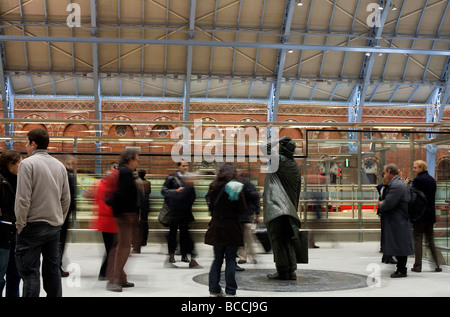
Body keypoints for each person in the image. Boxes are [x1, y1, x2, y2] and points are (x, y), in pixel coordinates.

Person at [14, 128, 71, 297]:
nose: (25, 146)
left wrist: (20, 224)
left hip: (32, 226)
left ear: (34, 144)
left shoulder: (27, 164)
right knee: (52, 270)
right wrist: (59, 219)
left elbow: (23, 198)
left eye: (26, 142)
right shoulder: (59, 165)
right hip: (53, 227)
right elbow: (66, 198)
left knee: (31, 273)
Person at [262, 136, 306, 280]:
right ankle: (291, 271)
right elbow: (297, 191)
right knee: (288, 240)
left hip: (276, 208)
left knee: (278, 241)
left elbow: (264, 148)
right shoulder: (294, 167)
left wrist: (278, 138)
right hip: (290, 209)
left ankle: (281, 271)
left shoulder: (279, 161)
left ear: (282, 149)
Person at [205, 163, 247, 297]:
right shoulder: (236, 187)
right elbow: (242, 209)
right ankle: (230, 291)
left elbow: (210, 205)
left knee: (217, 259)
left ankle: (213, 290)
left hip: (217, 227)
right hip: (232, 228)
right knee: (230, 260)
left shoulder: (213, 186)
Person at [106, 149, 140, 292]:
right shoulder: (125, 173)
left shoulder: (121, 171)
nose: (138, 162)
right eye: (137, 159)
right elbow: (124, 194)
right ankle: (114, 279)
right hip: (125, 215)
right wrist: (131, 212)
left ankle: (121, 277)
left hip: (121, 214)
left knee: (120, 246)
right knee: (124, 248)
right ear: (130, 159)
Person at [161, 160, 200, 268]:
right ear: (178, 167)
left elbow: (193, 195)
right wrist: (176, 192)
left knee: (184, 234)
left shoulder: (189, 180)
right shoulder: (171, 178)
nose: (185, 167)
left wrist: (189, 204)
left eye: (186, 165)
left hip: (185, 211)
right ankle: (171, 255)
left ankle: (184, 255)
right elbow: (164, 191)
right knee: (172, 234)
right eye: (183, 165)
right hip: (174, 211)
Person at [378, 164, 414, 278]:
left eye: (385, 172)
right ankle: (401, 268)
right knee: (398, 244)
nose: (384, 174)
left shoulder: (396, 185)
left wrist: (381, 205)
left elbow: (389, 203)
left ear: (389, 172)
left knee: (399, 244)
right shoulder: (399, 184)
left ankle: (401, 270)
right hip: (397, 219)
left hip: (397, 220)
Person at [408, 160, 441, 272]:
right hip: (430, 214)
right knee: (430, 240)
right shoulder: (432, 180)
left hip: (419, 214)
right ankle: (437, 265)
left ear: (421, 168)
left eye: (415, 167)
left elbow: (413, 195)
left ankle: (417, 266)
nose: (414, 169)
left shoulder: (418, 180)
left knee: (418, 239)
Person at [90, 162, 119, 280]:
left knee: (110, 248)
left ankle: (106, 272)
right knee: (112, 248)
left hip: (103, 219)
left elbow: (95, 199)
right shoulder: (113, 181)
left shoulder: (100, 182)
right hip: (111, 220)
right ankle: (105, 272)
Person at [0, 150, 22, 297]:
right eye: (20, 162)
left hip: (16, 232)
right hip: (2, 232)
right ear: (10, 164)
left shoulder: (20, 179)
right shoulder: (1, 181)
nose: (22, 165)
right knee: (0, 275)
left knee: (15, 275)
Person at [237, 171, 260, 265]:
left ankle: (243, 257)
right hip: (248, 215)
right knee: (249, 238)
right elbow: (256, 200)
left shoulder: (238, 186)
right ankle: (253, 256)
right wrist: (257, 214)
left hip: (239, 216)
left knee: (240, 239)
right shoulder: (251, 186)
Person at [59, 154, 76, 277]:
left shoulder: (63, 174)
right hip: (62, 215)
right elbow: (67, 197)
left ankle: (56, 267)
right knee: (59, 242)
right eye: (72, 163)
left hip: (61, 214)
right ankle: (56, 268)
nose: (74, 166)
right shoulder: (66, 175)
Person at [377, 173, 397, 264]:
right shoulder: (387, 189)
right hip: (388, 214)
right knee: (389, 235)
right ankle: (388, 256)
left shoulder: (382, 188)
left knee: (385, 234)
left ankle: (386, 255)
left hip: (383, 213)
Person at [132, 169, 151, 253]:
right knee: (144, 223)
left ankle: (135, 242)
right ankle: (144, 241)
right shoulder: (147, 183)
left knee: (136, 224)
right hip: (145, 204)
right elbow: (148, 192)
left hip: (138, 205)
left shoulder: (136, 182)